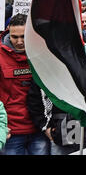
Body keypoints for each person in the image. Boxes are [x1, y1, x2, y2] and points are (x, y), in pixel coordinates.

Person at [0, 14, 50, 155]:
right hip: (11, 131)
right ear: (8, 32)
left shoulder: (43, 53)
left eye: (24, 36)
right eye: (14, 37)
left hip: (39, 129)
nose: (20, 41)